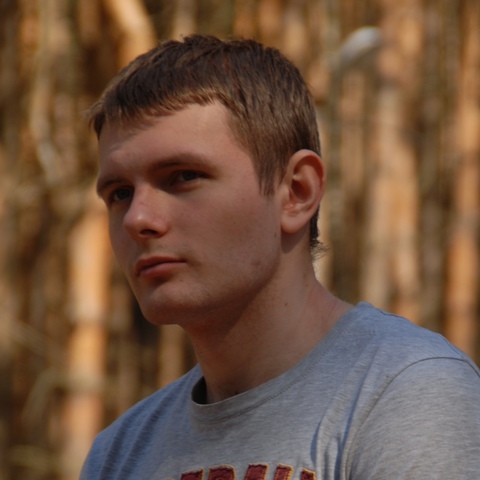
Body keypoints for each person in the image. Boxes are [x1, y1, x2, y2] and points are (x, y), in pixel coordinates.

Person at [81, 34, 480, 479]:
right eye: (119, 193)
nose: (138, 218)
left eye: (183, 176)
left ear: (296, 192)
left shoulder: (409, 393)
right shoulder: (119, 453)